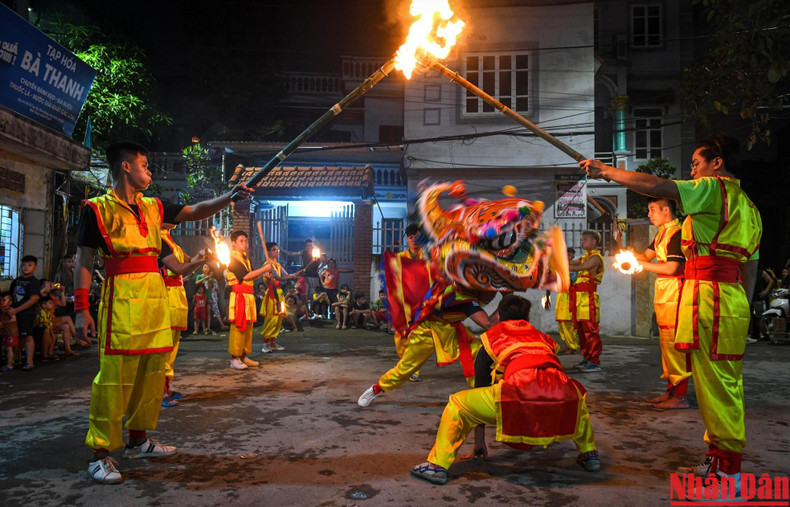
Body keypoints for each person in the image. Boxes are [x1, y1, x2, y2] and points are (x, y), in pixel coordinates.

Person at [581, 133, 762, 483]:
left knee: (715, 383)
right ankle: (721, 458)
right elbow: (750, 269)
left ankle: (728, 470)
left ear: (716, 163)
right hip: (733, 300)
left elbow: (658, 185)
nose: (693, 172)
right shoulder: (751, 209)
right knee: (725, 382)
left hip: (710, 296)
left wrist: (607, 172)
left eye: (697, 164)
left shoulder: (713, 189)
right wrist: (746, 309)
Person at [74, 141, 250, 484]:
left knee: (153, 371)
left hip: (156, 299)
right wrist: (82, 309)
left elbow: (196, 209)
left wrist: (230, 197)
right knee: (114, 377)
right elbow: (83, 262)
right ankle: (100, 454)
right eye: (144, 165)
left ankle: (138, 440)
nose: (149, 171)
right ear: (126, 167)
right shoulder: (96, 210)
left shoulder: (153, 207)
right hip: (121, 300)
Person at [410, 295, 600, 485]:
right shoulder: (543, 338)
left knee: (458, 404)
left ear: (498, 316)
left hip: (519, 394)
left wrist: (479, 442)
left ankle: (437, 466)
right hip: (560, 396)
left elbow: (481, 386)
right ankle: (589, 454)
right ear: (527, 318)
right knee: (577, 399)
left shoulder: (492, 338)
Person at [357, 283, 496, 407]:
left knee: (476, 355)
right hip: (426, 332)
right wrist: (506, 301)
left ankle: (485, 394)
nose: (492, 296)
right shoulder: (464, 299)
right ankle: (376, 389)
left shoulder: (460, 289)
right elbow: (488, 323)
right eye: (491, 292)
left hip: (450, 330)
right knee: (405, 369)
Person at [635, 198, 689, 409]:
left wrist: (638, 264)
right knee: (666, 345)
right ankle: (671, 392)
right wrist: (623, 253)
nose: (649, 214)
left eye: (652, 210)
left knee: (676, 345)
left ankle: (680, 396)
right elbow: (645, 256)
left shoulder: (677, 232)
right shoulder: (661, 233)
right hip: (664, 293)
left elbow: (672, 268)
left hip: (676, 292)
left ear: (666, 210)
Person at [159, 223, 207, 407]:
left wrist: (201, 255)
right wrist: (202, 261)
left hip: (176, 294)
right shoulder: (157, 239)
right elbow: (180, 268)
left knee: (173, 343)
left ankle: (167, 386)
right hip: (165, 295)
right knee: (164, 344)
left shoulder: (171, 241)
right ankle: (160, 391)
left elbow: (188, 262)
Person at [227, 231, 271, 369]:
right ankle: (234, 358)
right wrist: (264, 268)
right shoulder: (232, 259)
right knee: (239, 328)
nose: (245, 244)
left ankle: (243, 356)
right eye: (241, 241)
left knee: (248, 329)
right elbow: (245, 276)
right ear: (233, 243)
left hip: (248, 296)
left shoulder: (245, 258)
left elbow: (251, 276)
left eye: (245, 241)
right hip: (240, 297)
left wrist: (264, 273)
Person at [567, 230, 605, 372]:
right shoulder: (585, 257)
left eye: (585, 240)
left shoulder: (595, 258)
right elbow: (572, 262)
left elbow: (578, 267)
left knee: (590, 330)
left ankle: (594, 361)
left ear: (594, 241)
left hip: (588, 298)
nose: (582, 242)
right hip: (579, 298)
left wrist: (564, 265)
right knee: (582, 331)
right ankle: (586, 358)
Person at [260, 241, 299, 352]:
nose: (277, 251)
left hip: (279, 294)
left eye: (277, 249)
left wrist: (294, 274)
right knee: (271, 319)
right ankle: (265, 344)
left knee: (278, 319)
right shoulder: (267, 265)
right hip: (272, 294)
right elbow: (278, 278)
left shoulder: (277, 265)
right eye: (274, 250)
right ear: (268, 252)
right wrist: (290, 276)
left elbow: (286, 275)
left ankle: (272, 343)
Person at [10, 255, 41, 371]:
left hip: (27, 313)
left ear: (35, 267)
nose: (26, 267)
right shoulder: (16, 281)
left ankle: (29, 361)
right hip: (14, 313)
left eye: (29, 265)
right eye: (24, 265)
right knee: (15, 336)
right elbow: (10, 296)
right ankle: (15, 360)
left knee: (27, 335)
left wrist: (17, 310)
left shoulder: (34, 282)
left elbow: (33, 299)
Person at [555, 247, 579, 355]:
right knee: (561, 323)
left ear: (573, 256)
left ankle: (572, 347)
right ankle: (567, 345)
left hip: (569, 296)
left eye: (570, 255)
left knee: (568, 323)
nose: (568, 256)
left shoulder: (574, 267)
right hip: (561, 295)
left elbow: (571, 281)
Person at [195, 263, 227, 333]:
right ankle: (197, 329)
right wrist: (204, 278)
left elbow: (210, 288)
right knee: (198, 313)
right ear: (202, 269)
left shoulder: (211, 279)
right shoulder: (199, 276)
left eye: (207, 268)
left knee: (208, 312)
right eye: (204, 267)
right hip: (200, 297)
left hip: (209, 296)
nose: (206, 269)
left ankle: (208, 328)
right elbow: (196, 283)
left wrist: (209, 281)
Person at [1, 291, 19, 371]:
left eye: (4, 300)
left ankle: (9, 365)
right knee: (5, 348)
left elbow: (13, 319)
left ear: (10, 302)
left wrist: (4, 322)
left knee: (9, 348)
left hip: (11, 332)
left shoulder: (10, 310)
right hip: (6, 332)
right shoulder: (3, 309)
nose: (2, 302)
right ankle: (10, 361)